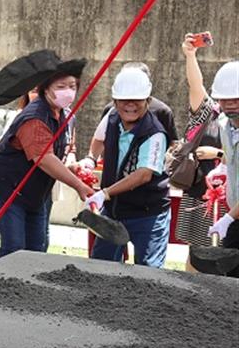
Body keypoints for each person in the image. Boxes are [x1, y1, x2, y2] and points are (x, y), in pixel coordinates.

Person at [0, 56, 94, 257]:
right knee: (14, 246)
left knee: (38, 246)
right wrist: (78, 185)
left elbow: (59, 153)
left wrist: (73, 168)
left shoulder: (64, 115)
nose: (68, 91)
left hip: (35, 191)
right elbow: (44, 159)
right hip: (8, 186)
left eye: (72, 86)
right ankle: (1, 284)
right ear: (46, 88)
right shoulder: (34, 118)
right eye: (61, 86)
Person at [87, 67, 172, 267]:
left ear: (148, 101)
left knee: (148, 272)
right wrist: (91, 159)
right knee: (101, 266)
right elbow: (99, 139)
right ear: (115, 102)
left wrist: (105, 193)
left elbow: (143, 175)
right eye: (124, 100)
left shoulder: (155, 133)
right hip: (114, 211)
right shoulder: (111, 117)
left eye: (138, 100)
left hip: (147, 212)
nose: (130, 105)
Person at [175, 34, 227, 264]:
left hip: (231, 202)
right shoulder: (209, 112)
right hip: (199, 194)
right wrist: (190, 55)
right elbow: (195, 85)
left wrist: (217, 154)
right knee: (196, 253)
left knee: (227, 255)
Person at [187, 59, 239, 253]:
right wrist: (223, 167)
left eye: (236, 99)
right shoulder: (225, 123)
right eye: (225, 100)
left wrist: (228, 218)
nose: (230, 105)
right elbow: (229, 150)